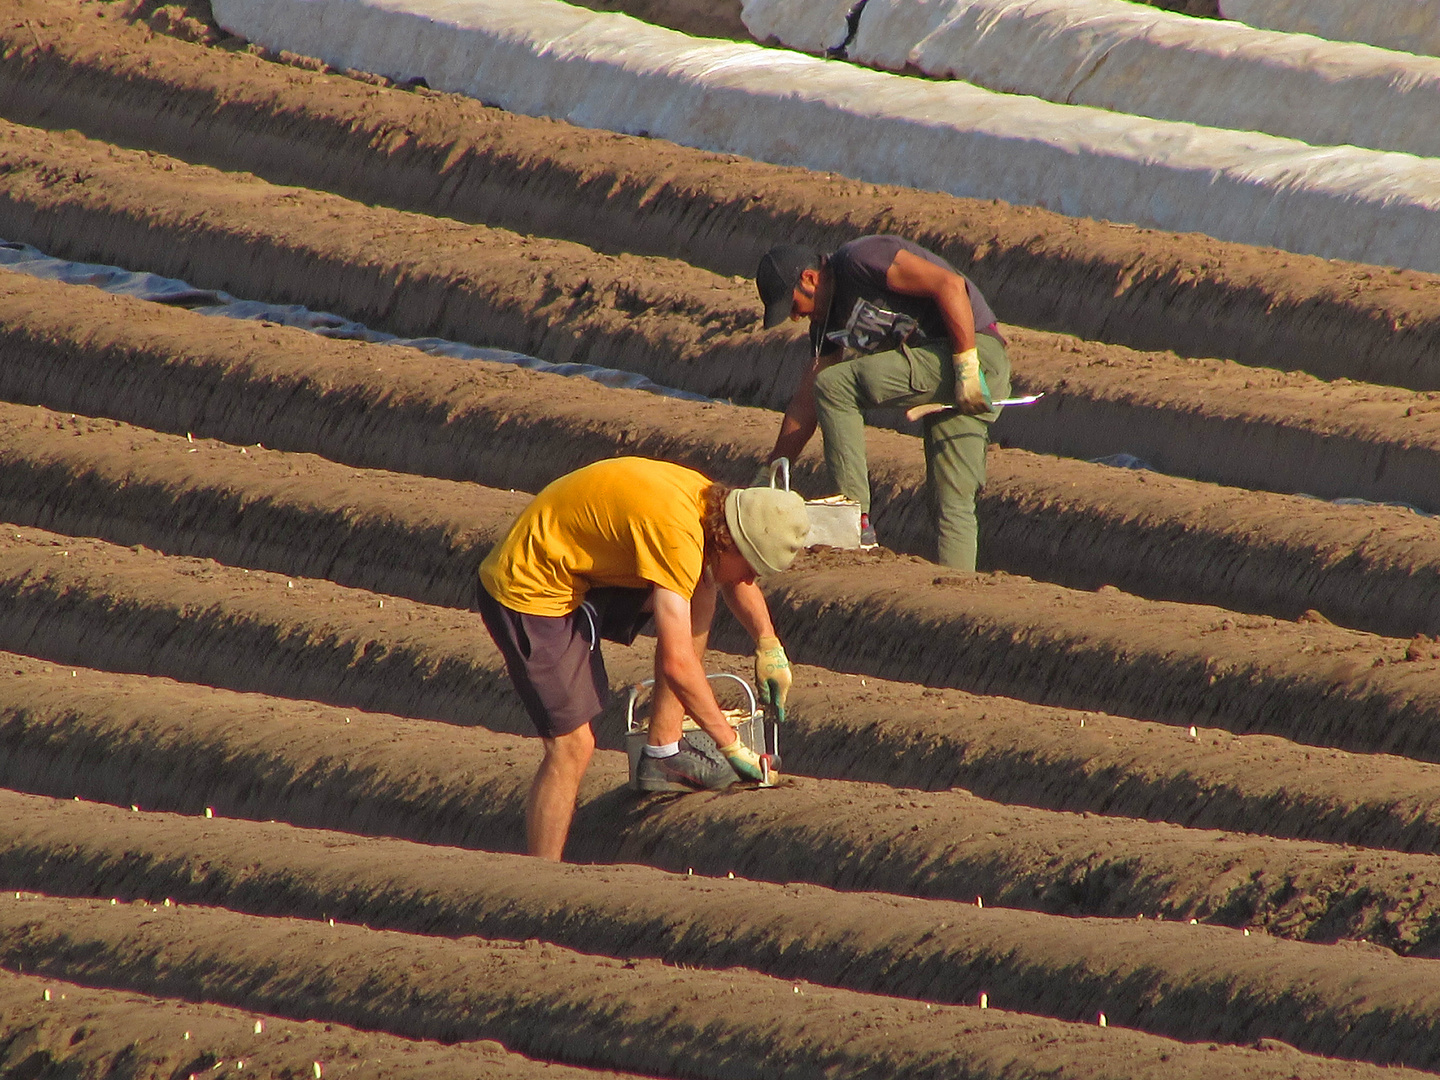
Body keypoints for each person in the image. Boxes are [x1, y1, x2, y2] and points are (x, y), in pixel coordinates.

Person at [474, 456, 810, 861]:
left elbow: (726, 574)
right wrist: (731, 745)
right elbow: (677, 663)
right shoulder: (677, 536)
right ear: (732, 541)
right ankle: (542, 875)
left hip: (579, 565)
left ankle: (663, 753)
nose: (749, 581)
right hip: (529, 587)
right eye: (751, 569)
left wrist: (768, 642)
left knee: (704, 582)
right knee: (572, 746)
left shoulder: (710, 506)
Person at [754, 235, 1012, 570]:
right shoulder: (827, 323)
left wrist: (966, 366)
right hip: (946, 369)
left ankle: (853, 520)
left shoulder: (860, 259)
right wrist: (771, 470)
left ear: (809, 279)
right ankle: (957, 595)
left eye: (792, 306)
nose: (794, 318)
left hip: (974, 353)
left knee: (835, 385)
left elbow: (949, 285)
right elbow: (806, 401)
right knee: (951, 502)